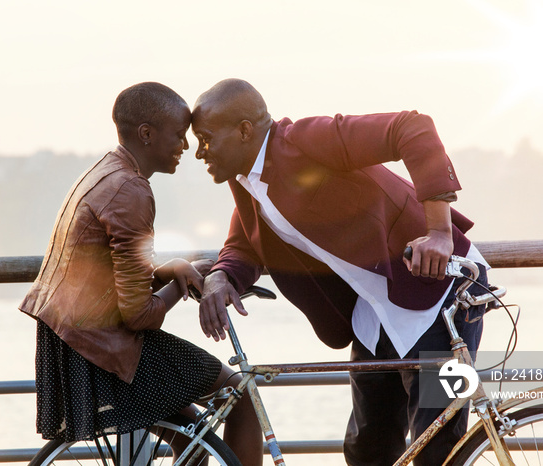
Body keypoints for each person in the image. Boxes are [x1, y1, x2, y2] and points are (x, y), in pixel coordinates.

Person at [191, 78, 489, 466]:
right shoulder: (247, 182)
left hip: (439, 296)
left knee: (438, 451)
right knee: (368, 449)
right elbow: (245, 244)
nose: (199, 152)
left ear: (244, 131)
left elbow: (412, 128)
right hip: (375, 317)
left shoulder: (307, 141)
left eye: (206, 138)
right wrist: (220, 276)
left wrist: (437, 232)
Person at [19, 82, 262, 466]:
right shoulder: (132, 191)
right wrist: (179, 286)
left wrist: (171, 268)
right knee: (239, 394)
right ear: (147, 134)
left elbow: (107, 267)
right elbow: (139, 316)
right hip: (103, 350)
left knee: (191, 437)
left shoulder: (104, 171)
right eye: (179, 135)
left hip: (71, 341)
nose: (185, 146)